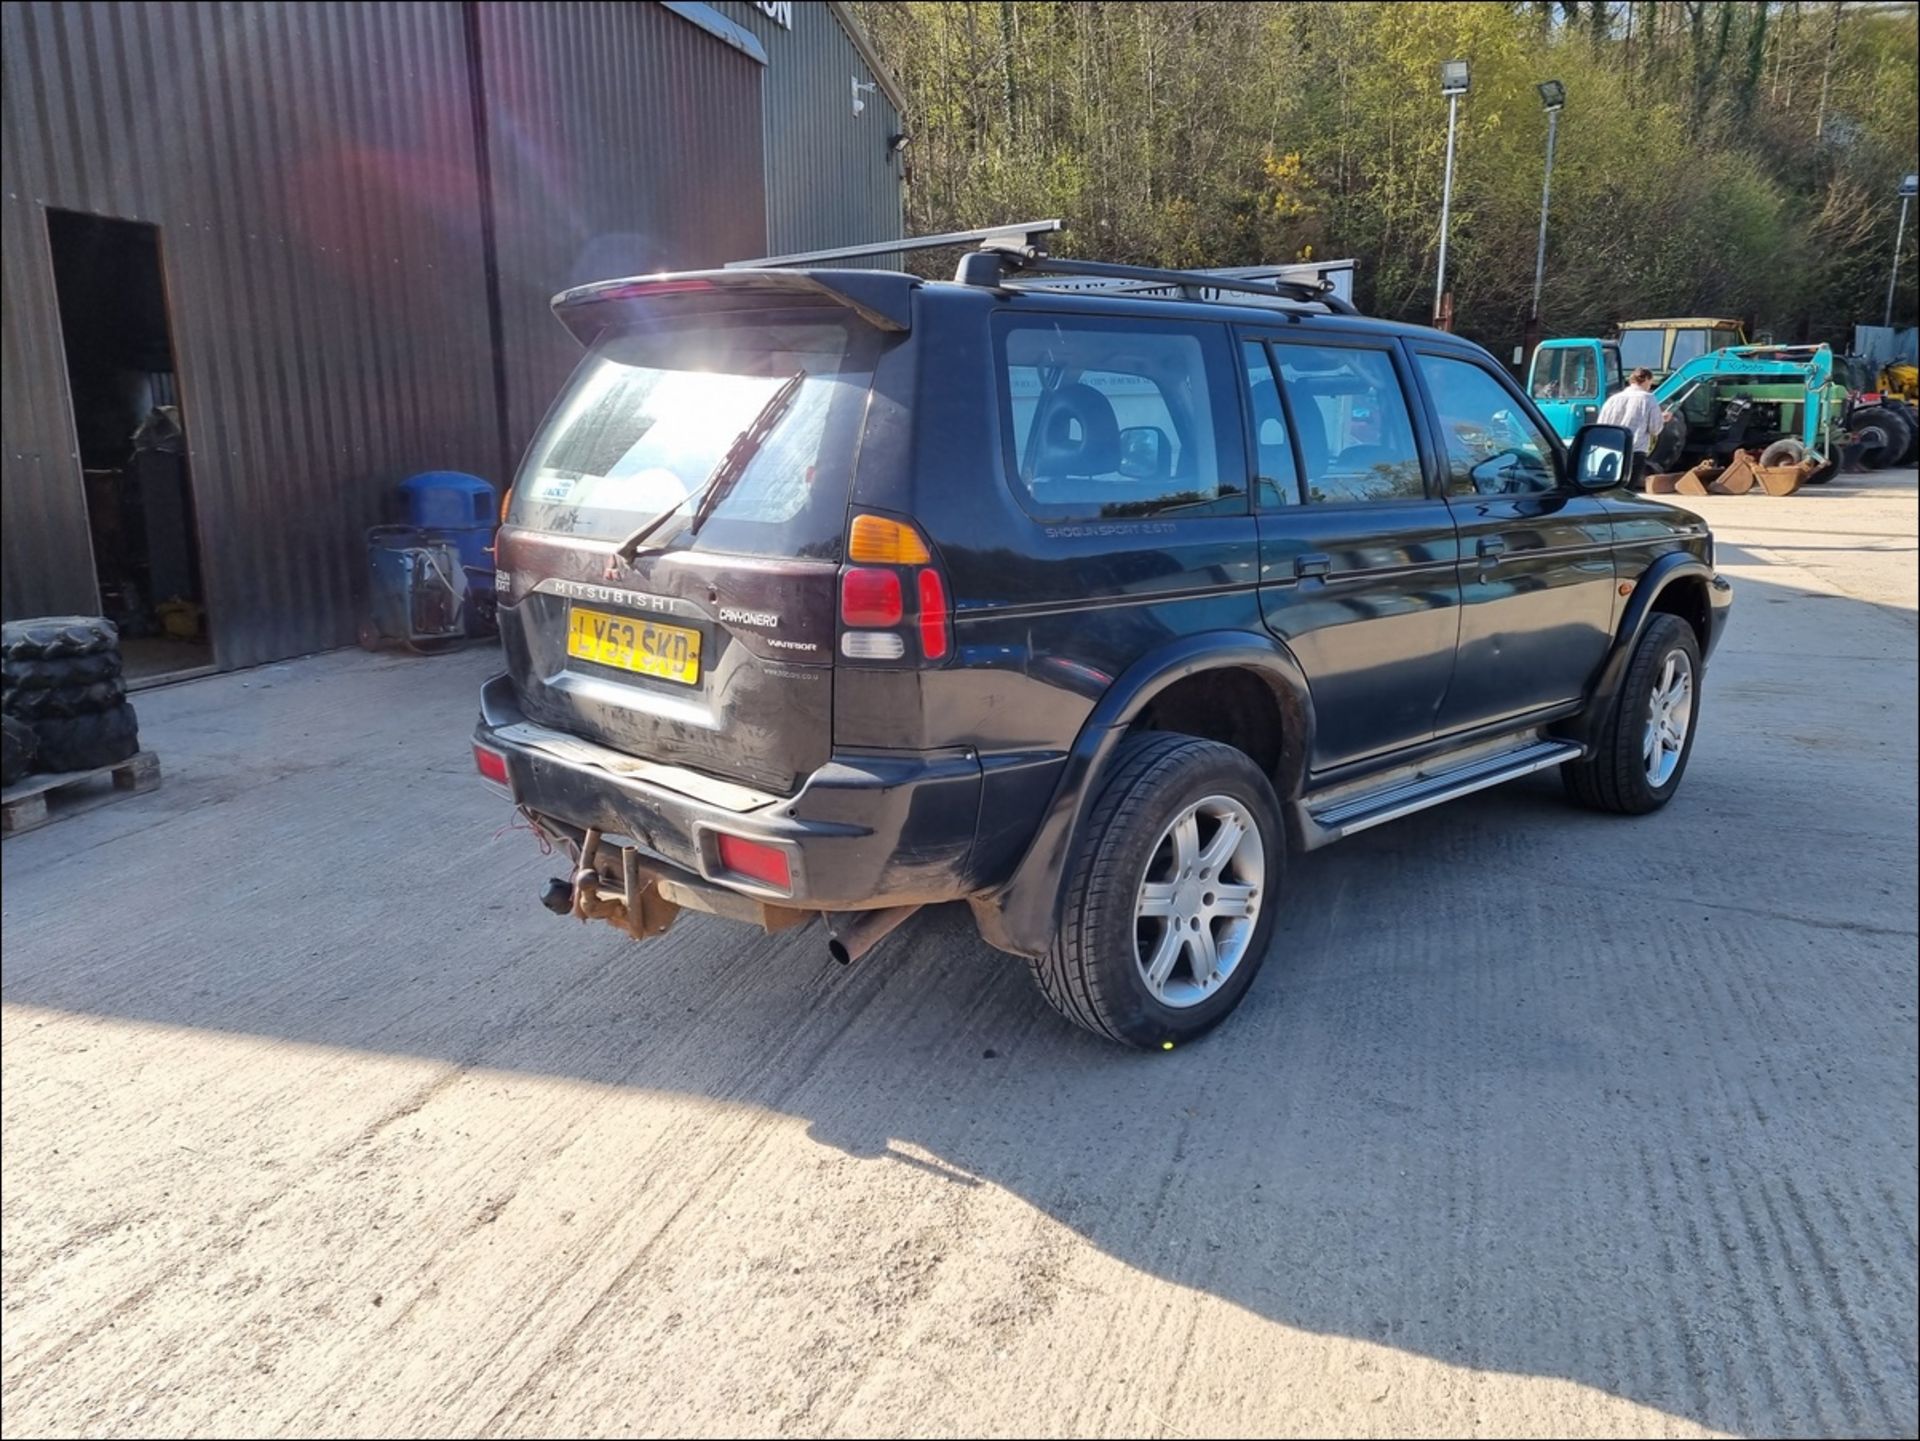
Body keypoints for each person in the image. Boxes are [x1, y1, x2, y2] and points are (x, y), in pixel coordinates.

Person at [1598, 366, 1670, 489]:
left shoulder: (1613, 399)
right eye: (1650, 382)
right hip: (1634, 451)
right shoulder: (1648, 399)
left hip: (1610, 450)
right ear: (1647, 379)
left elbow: (1601, 425)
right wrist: (1662, 419)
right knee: (1627, 491)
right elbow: (1655, 429)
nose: (1650, 386)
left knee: (1608, 489)